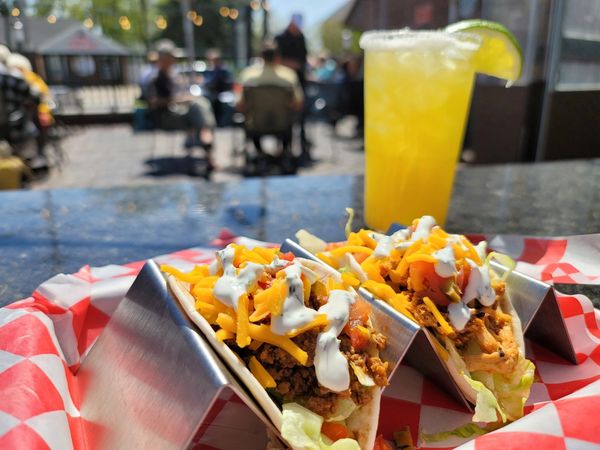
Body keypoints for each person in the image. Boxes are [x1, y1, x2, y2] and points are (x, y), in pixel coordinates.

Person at [145, 39, 216, 169]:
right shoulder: (155, 78)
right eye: (172, 57)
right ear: (164, 59)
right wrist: (179, 100)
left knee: (199, 105)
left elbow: (181, 93)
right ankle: (206, 138)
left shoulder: (173, 75)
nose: (174, 60)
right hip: (165, 117)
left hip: (178, 112)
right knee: (198, 106)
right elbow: (153, 101)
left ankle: (204, 137)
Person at [237, 42, 303, 155]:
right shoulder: (289, 76)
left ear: (261, 57)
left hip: (256, 124)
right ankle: (283, 153)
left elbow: (240, 104)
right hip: (283, 123)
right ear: (278, 56)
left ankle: (260, 153)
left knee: (248, 121)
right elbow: (298, 103)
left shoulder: (248, 76)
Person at [275, 13, 311, 161]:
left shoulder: (301, 38)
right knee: (285, 117)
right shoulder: (280, 38)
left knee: (301, 116)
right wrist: (289, 64)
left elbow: (303, 60)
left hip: (300, 83)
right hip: (283, 84)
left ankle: (303, 147)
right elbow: (276, 60)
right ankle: (284, 149)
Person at [203, 48, 232, 126]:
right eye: (212, 60)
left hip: (224, 94)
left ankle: (224, 125)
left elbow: (229, 83)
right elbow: (206, 83)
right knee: (205, 104)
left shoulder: (224, 70)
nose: (214, 62)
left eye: (216, 59)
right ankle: (209, 123)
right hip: (211, 94)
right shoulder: (208, 71)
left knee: (228, 106)